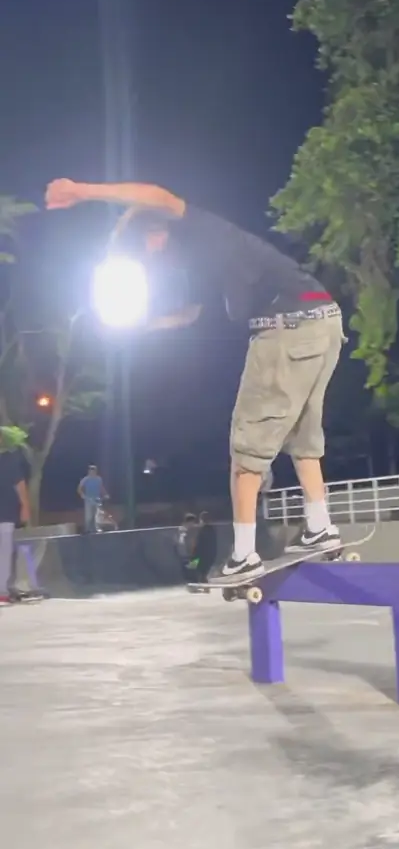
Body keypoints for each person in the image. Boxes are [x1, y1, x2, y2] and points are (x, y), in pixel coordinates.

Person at [46, 177, 344, 583]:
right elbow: (194, 314)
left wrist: (82, 191)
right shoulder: (213, 259)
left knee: (246, 447)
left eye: (147, 249)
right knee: (302, 436)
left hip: (286, 328)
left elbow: (154, 196)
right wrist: (149, 327)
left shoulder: (195, 226)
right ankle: (320, 527)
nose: (152, 259)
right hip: (322, 321)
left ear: (157, 231)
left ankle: (244, 555)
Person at [0, 432, 30, 605]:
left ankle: (2, 590)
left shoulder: (8, 459)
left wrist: (25, 506)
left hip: (6, 511)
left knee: (4, 550)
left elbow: (20, 484)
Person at [77, 464, 108, 533]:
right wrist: (82, 495)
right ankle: (88, 529)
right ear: (89, 471)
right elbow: (79, 488)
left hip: (97, 498)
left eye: (93, 471)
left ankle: (96, 528)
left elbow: (101, 487)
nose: (92, 472)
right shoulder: (85, 479)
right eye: (91, 471)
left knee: (97, 514)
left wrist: (105, 494)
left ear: (96, 471)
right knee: (89, 515)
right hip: (88, 499)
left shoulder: (99, 479)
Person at [193, 511, 218, 583]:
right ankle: (203, 583)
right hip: (209, 555)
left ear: (201, 520)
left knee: (198, 571)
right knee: (203, 572)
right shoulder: (212, 530)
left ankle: (200, 583)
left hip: (201, 556)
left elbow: (199, 545)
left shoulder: (202, 530)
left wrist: (194, 555)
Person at [176, 512, 199, 583]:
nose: (193, 524)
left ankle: (193, 580)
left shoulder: (193, 529)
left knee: (193, 568)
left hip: (192, 553)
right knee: (187, 569)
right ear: (188, 522)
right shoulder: (182, 530)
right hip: (185, 553)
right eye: (192, 522)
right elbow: (181, 540)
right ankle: (189, 580)